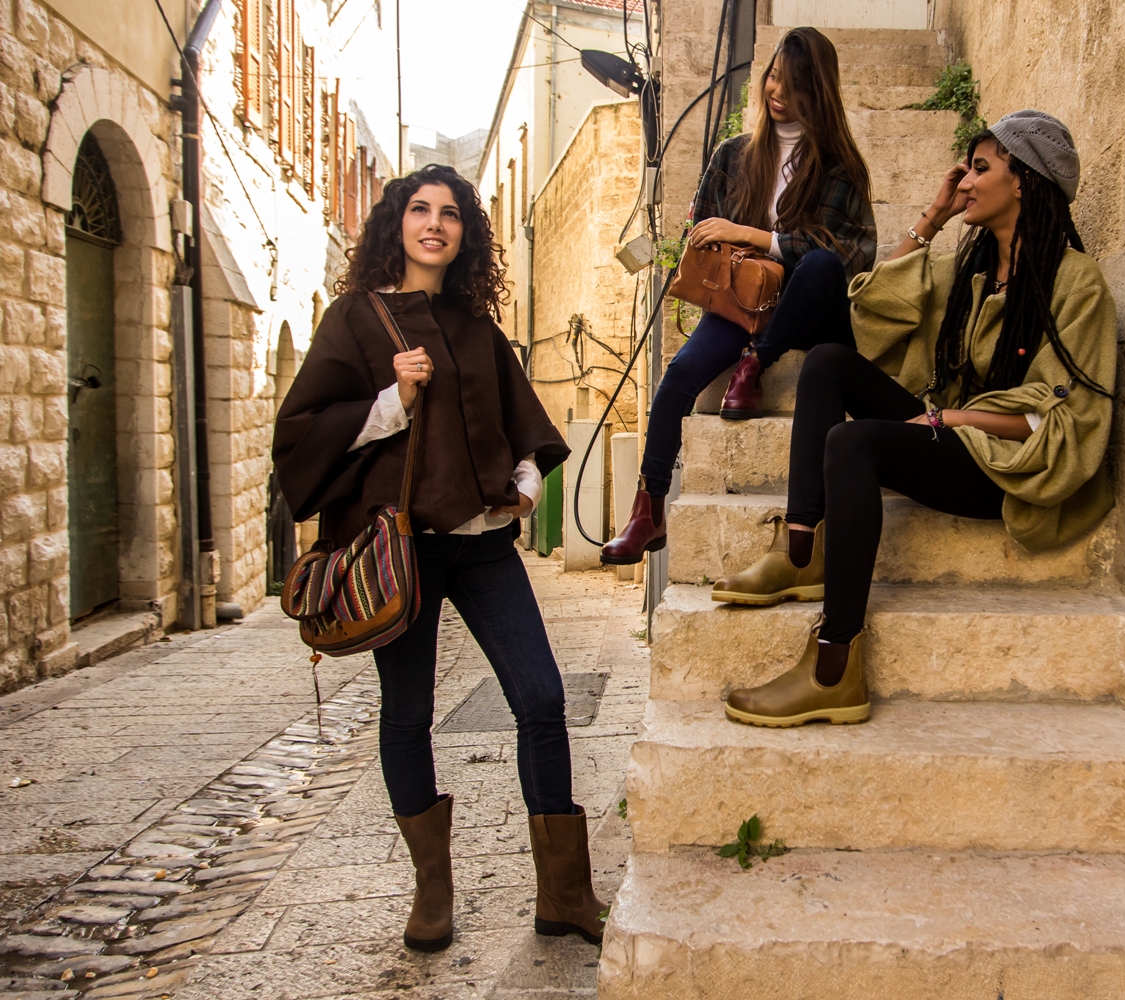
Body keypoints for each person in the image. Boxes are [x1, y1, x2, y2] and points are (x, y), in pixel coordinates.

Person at [272, 165, 607, 952]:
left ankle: (564, 893)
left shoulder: (475, 325)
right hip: (402, 551)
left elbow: (523, 424)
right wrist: (394, 401)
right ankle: (432, 890)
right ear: (397, 224)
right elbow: (300, 434)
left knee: (542, 697)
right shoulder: (354, 320)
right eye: (419, 210)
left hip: (484, 546)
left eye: (450, 214)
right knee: (408, 714)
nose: (434, 224)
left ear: (466, 234)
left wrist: (526, 486)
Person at [711, 111, 1118, 728]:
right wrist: (934, 217)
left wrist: (948, 419)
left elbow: (1063, 423)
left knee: (853, 444)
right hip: (953, 434)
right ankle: (800, 548)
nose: (966, 181)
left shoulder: (1076, 284)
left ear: (1024, 182)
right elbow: (873, 299)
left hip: (1007, 468)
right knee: (827, 362)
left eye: (980, 169)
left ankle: (833, 667)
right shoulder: (973, 268)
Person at [601, 26, 878, 565]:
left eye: (793, 85)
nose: (777, 92)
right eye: (773, 77)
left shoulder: (839, 165)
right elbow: (701, 228)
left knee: (819, 265)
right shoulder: (733, 154)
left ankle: (756, 363)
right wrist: (723, 239)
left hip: (811, 308)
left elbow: (850, 253)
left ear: (817, 91)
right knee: (680, 373)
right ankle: (648, 510)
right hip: (743, 301)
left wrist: (755, 236)